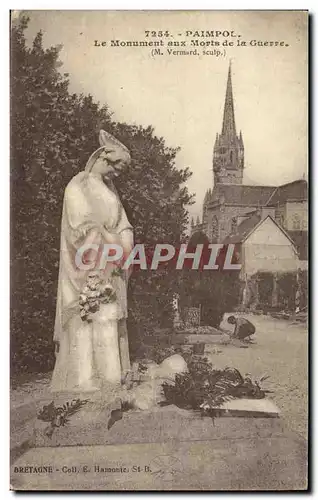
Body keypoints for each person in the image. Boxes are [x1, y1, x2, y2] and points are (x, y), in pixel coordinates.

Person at [51, 130, 134, 393]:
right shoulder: (78, 186)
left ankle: (110, 380)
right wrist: (113, 241)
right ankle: (84, 385)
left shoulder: (111, 191)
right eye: (116, 169)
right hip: (88, 269)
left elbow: (123, 223)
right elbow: (81, 228)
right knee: (86, 322)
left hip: (111, 267)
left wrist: (125, 240)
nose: (117, 176)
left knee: (108, 321)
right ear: (103, 159)